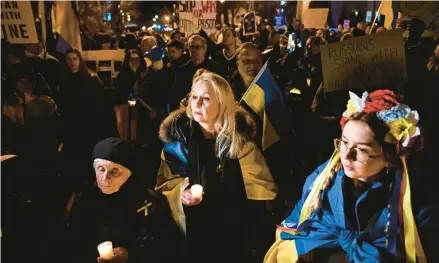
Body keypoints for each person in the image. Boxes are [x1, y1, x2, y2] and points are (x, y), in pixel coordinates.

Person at [264, 90, 437, 263]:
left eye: (361, 150)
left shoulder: (415, 204)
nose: (346, 155)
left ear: (390, 158)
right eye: (344, 142)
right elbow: (295, 228)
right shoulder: (319, 182)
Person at [156, 72, 277, 263]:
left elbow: (260, 189)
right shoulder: (179, 141)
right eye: (194, 97)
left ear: (221, 104)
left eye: (205, 99)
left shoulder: (241, 143)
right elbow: (167, 181)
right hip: (195, 227)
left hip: (232, 228)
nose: (196, 105)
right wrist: (181, 191)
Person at [66, 138, 183, 263]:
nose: (105, 178)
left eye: (115, 172)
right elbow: (72, 243)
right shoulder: (85, 199)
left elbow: (166, 247)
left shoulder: (147, 203)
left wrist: (130, 255)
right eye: (101, 169)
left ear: (129, 174)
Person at [59, 48, 118, 190]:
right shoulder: (63, 80)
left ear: (80, 60)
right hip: (72, 126)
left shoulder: (90, 79)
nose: (72, 62)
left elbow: (99, 105)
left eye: (75, 59)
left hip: (89, 126)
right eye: (69, 59)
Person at [170, 35, 224, 111]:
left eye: (197, 47)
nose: (194, 50)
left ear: (204, 49)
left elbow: (221, 93)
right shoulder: (182, 70)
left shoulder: (215, 69)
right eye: (191, 47)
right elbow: (176, 95)